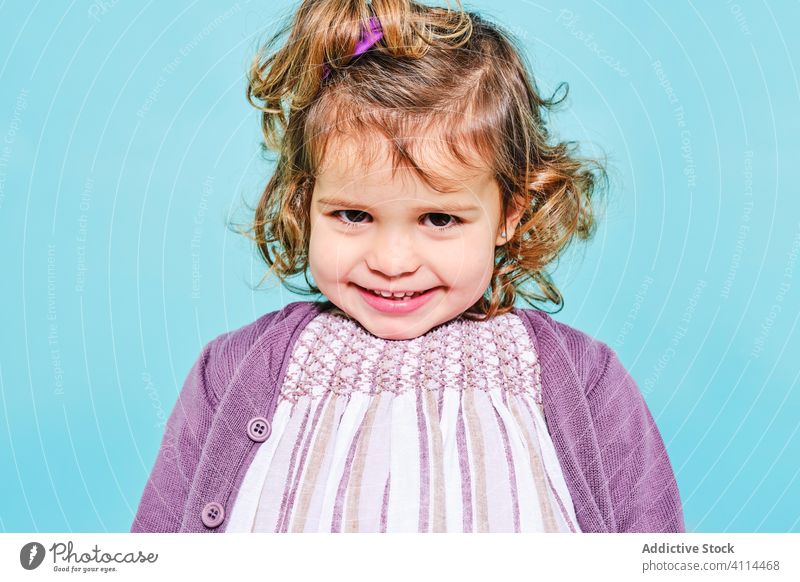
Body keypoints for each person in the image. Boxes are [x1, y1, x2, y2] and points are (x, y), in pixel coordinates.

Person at [131, 0, 683, 533]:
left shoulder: (584, 382)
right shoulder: (230, 374)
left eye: (439, 219)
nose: (392, 262)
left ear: (509, 213)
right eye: (353, 215)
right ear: (303, 202)